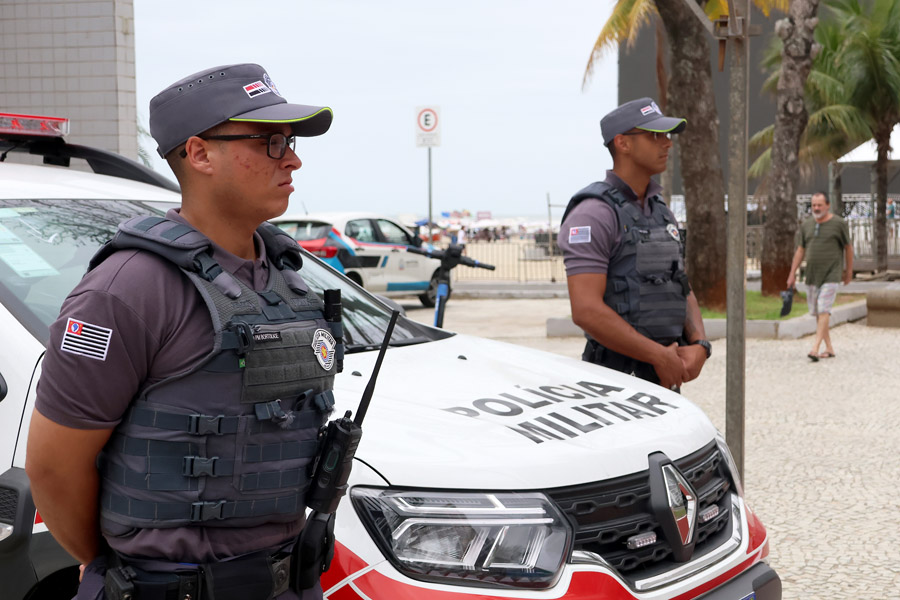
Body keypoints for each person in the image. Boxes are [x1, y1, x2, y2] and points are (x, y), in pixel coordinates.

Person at [25, 63, 338, 600]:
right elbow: (54, 468)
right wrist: (109, 565)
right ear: (199, 154)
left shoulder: (285, 278)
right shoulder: (128, 290)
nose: (293, 157)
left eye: (289, 141)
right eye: (270, 141)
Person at [558, 98, 710, 391]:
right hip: (613, 381)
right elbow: (586, 310)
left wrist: (700, 345)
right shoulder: (594, 213)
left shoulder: (660, 210)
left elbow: (680, 284)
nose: (667, 144)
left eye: (667, 135)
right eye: (655, 136)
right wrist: (658, 356)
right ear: (623, 143)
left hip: (664, 377)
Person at [787, 191, 853, 361]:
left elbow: (848, 248)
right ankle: (829, 348)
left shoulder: (839, 224)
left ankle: (814, 348)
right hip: (812, 275)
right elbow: (800, 250)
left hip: (832, 273)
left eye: (819, 205)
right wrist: (792, 274)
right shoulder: (806, 225)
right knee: (818, 313)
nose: (816, 208)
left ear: (828, 205)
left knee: (824, 308)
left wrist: (849, 271)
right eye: (814, 205)